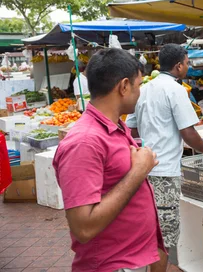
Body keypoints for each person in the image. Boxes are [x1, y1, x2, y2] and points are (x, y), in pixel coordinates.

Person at [53, 48, 167, 272]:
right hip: (112, 264)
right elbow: (83, 227)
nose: (140, 92)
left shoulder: (115, 126)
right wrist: (139, 170)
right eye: (139, 85)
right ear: (124, 86)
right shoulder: (85, 142)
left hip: (133, 259)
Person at [126, 44, 203, 259]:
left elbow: (132, 126)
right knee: (165, 236)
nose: (188, 66)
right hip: (165, 171)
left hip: (144, 170)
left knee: (149, 228)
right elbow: (188, 132)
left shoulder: (144, 88)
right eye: (187, 63)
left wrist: (155, 129)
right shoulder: (176, 90)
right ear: (178, 66)